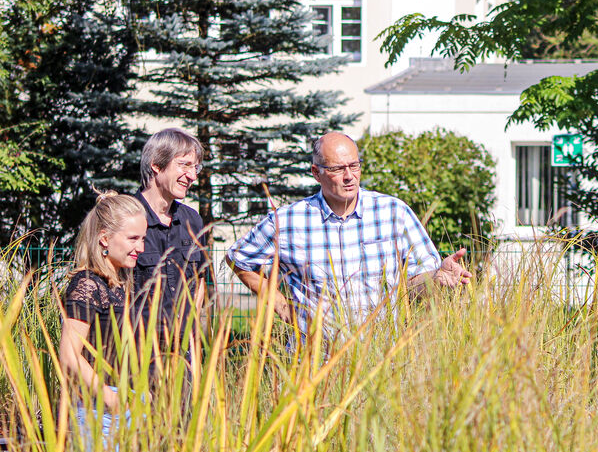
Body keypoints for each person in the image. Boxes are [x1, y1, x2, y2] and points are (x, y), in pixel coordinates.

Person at [226, 131, 472, 336]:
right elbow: (238, 258)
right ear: (316, 172)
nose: (349, 176)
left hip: (380, 359)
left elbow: (415, 283)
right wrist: (282, 307)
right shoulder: (289, 220)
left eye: (354, 166)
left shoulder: (393, 212)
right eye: (337, 168)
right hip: (312, 364)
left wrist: (437, 277)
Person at [60, 191, 147, 443]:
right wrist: (111, 399)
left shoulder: (119, 284)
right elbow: (69, 355)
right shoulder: (88, 284)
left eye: (142, 238)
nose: (140, 248)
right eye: (132, 238)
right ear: (105, 238)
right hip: (100, 411)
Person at [133, 128, 210, 340]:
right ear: (156, 165)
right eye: (184, 165)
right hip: (135, 352)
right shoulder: (125, 218)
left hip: (182, 353)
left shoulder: (192, 220)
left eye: (196, 167)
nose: (193, 176)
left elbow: (199, 281)